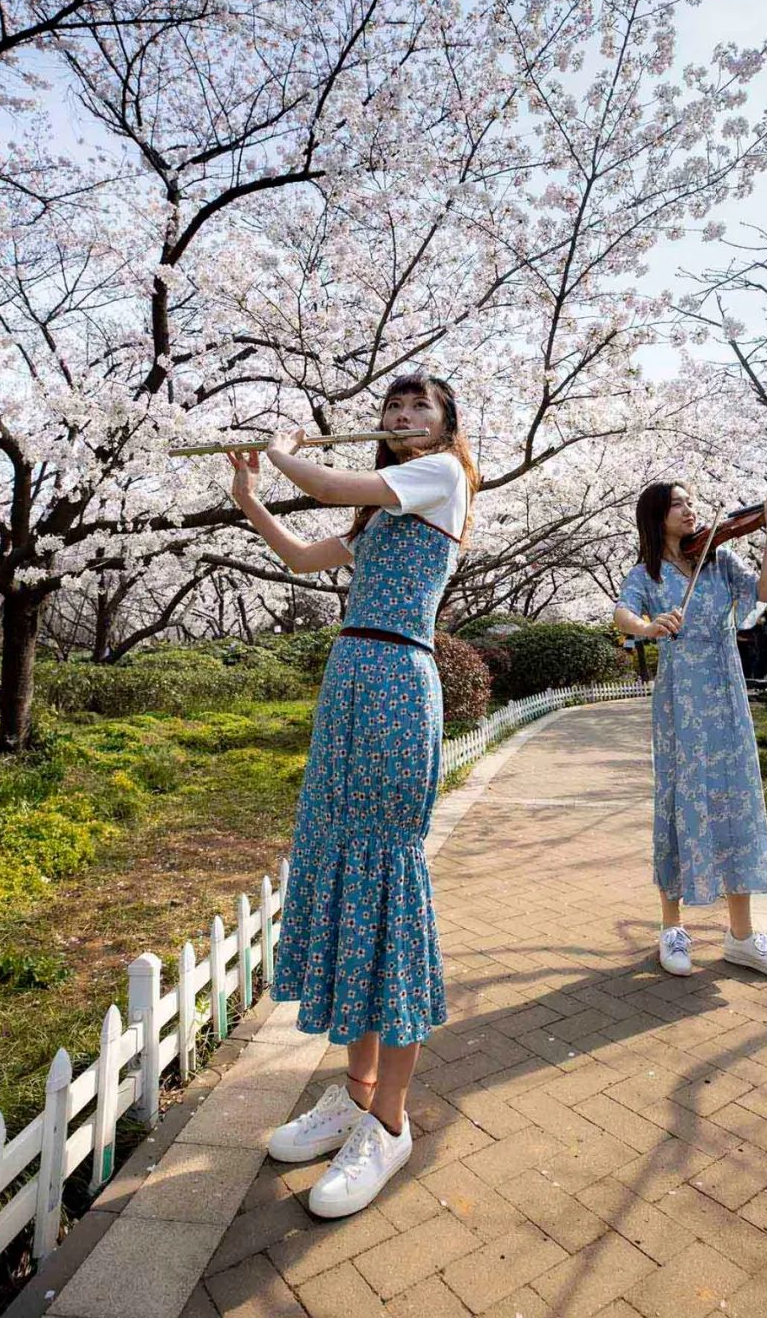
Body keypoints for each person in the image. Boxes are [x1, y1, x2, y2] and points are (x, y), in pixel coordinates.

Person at [225, 373, 478, 1218]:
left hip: (400, 684)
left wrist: (283, 450)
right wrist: (251, 493)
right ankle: (355, 1091)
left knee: (387, 892)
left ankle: (391, 1124)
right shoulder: (380, 511)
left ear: (445, 425)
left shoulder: (442, 474)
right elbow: (302, 555)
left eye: (421, 408)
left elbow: (329, 481)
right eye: (395, 408)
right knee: (348, 887)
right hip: (350, 681)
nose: (404, 417)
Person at [613, 481, 767, 982]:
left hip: (725, 687)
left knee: (734, 796)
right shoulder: (646, 574)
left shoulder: (719, 562)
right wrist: (648, 627)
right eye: (677, 504)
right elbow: (623, 612)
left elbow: (765, 595)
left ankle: (741, 937)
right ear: (656, 517)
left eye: (691, 502)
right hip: (679, 698)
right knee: (679, 798)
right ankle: (672, 927)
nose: (690, 511)